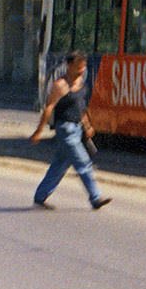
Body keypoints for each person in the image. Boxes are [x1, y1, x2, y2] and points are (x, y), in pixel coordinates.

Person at [30, 51, 111, 210]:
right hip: (65, 130)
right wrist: (39, 131)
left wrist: (87, 125)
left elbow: (80, 107)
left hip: (77, 129)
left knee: (59, 166)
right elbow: (49, 108)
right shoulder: (60, 85)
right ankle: (95, 197)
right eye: (78, 66)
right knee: (83, 163)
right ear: (69, 65)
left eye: (83, 66)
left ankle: (40, 197)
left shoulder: (80, 82)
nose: (82, 69)